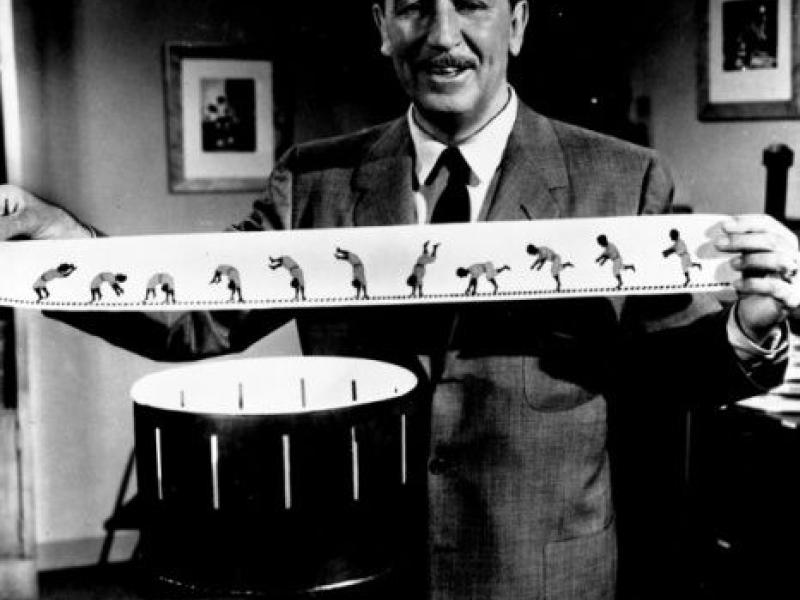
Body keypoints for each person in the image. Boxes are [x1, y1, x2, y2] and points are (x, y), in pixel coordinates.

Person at [0, 1, 798, 598]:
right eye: (414, 6)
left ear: (518, 23)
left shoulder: (622, 178)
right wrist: (53, 241)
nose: (443, 35)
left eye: (473, 4)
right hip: (356, 570)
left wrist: (751, 326)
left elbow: (679, 366)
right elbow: (192, 317)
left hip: (540, 574)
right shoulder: (315, 182)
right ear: (382, 25)